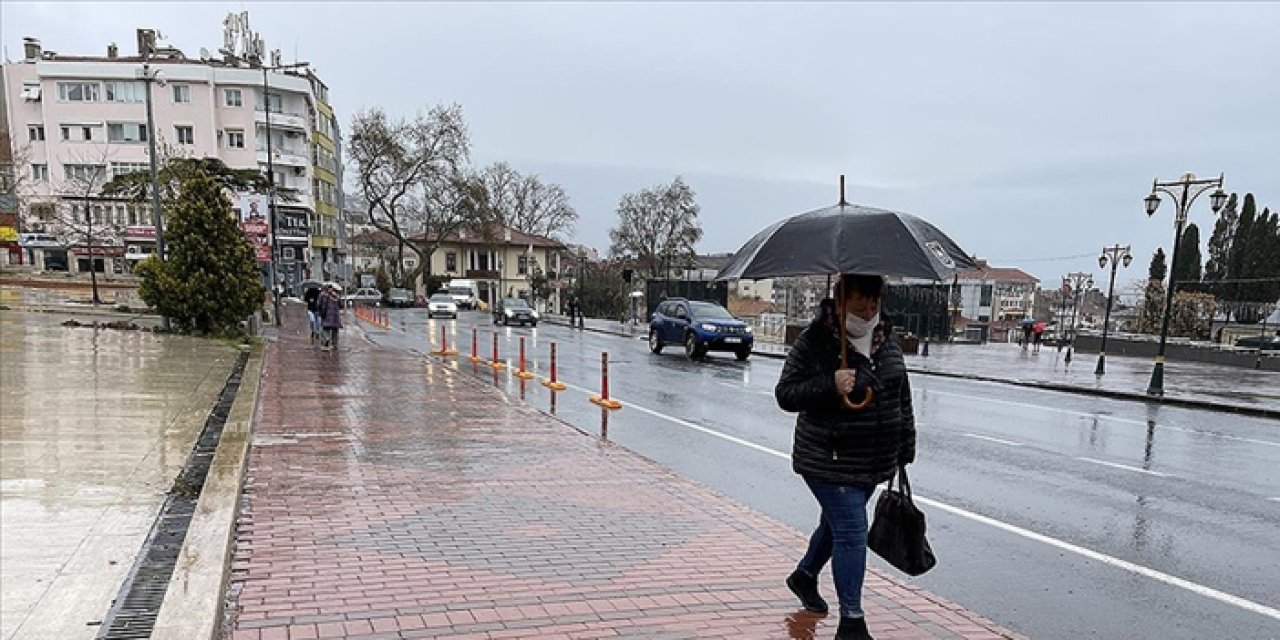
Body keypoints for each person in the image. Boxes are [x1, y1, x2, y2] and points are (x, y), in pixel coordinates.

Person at [775, 274, 915, 640]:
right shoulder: (817, 340)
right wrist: (829, 384)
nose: (868, 313)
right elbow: (786, 393)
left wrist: (905, 444)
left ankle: (804, 576)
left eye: (874, 305)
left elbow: (901, 393)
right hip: (827, 456)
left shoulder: (886, 338)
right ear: (839, 302)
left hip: (874, 459)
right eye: (859, 305)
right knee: (852, 530)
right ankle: (852, 622)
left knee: (835, 526)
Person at [319, 284, 343, 351]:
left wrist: (320, 312)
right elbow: (341, 305)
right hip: (335, 317)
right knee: (334, 331)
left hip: (326, 316)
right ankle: (334, 344)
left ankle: (326, 341)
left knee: (326, 330)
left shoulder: (322, 295)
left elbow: (319, 304)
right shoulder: (336, 296)